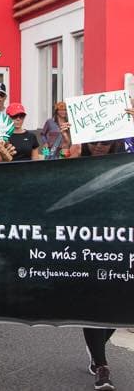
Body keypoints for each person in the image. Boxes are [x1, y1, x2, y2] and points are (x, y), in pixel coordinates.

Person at [79, 138, 126, 391]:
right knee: (93, 304)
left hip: (119, 245)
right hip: (86, 246)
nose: (99, 146)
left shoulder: (125, 166)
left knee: (120, 305)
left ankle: (96, 346)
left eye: (105, 143)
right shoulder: (76, 165)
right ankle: (101, 366)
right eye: (94, 142)